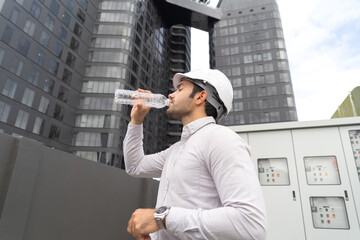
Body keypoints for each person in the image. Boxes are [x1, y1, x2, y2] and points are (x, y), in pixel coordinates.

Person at [124, 69, 267, 240]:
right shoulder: (177, 149)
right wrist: (136, 121)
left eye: (180, 89)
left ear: (200, 97)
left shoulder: (220, 139)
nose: (171, 94)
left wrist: (162, 217)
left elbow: (250, 224)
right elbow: (135, 166)